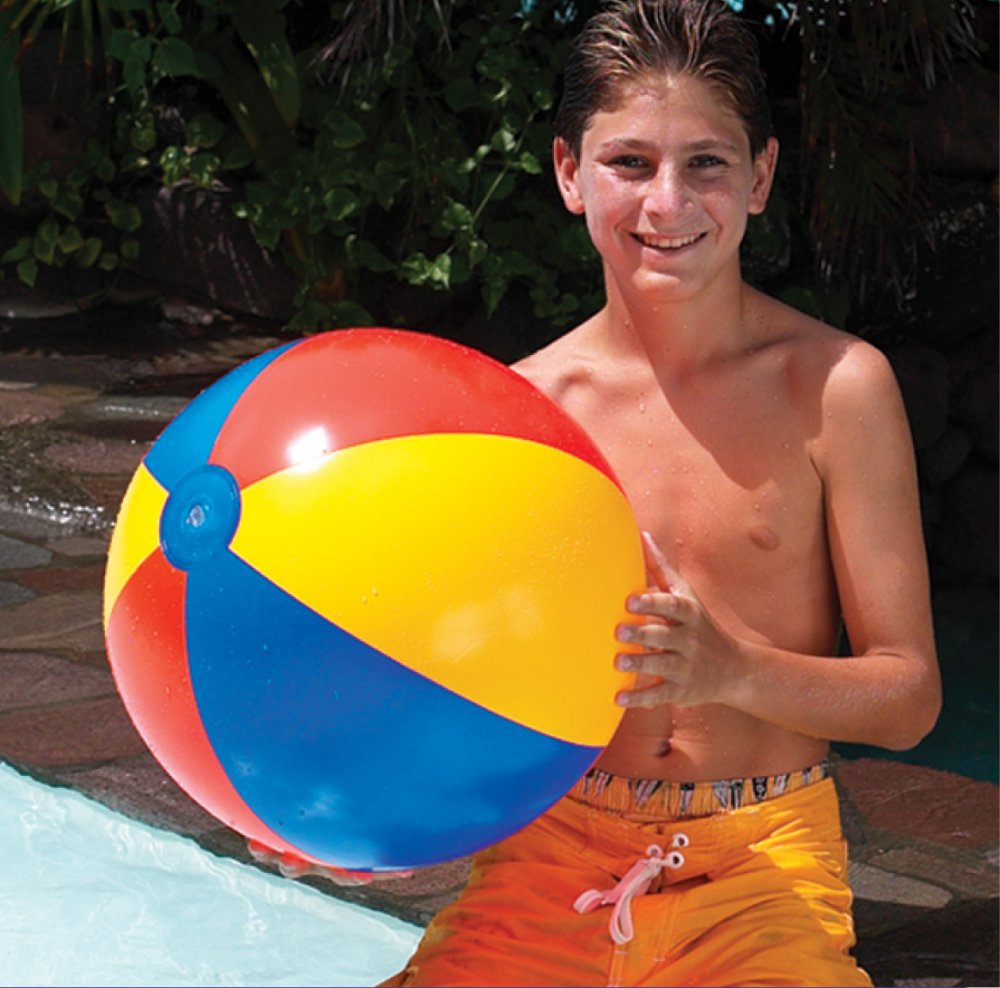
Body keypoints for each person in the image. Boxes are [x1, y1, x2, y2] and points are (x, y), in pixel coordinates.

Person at [258, 1, 941, 984]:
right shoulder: (521, 414)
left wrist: (732, 667)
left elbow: (907, 696)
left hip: (759, 867)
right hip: (549, 855)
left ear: (759, 178)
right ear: (569, 174)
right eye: (629, 163)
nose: (666, 204)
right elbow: (455, 678)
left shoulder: (834, 389)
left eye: (705, 162)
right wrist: (356, 818)